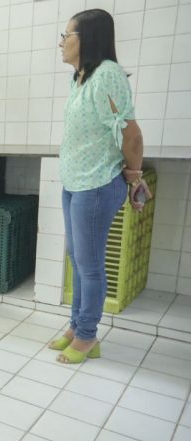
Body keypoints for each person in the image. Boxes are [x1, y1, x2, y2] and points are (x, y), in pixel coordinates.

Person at [49, 9, 152, 364]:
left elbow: (131, 133)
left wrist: (134, 175)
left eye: (67, 36)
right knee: (77, 261)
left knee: (90, 265)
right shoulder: (79, 77)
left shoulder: (107, 74)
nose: (62, 43)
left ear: (87, 38)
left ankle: (88, 336)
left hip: (96, 184)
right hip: (75, 182)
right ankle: (77, 326)